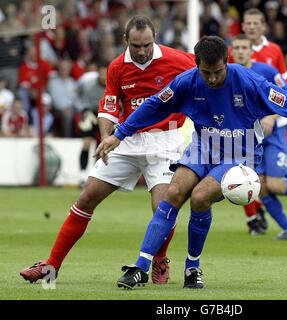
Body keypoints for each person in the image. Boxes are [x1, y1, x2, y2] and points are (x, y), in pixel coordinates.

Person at [95, 36, 287, 289]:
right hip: (201, 149)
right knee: (174, 192)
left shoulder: (250, 82)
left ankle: (192, 268)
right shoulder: (186, 82)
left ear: (226, 62)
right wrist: (119, 134)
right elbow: (153, 105)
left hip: (238, 156)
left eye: (218, 72)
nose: (211, 78)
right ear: (196, 64)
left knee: (199, 197)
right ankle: (141, 266)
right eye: (206, 72)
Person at [19, 16, 196, 285]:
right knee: (86, 198)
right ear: (126, 41)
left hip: (165, 142)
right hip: (126, 141)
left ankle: (160, 258)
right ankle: (51, 266)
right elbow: (109, 107)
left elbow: (211, 71)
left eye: (147, 44)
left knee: (163, 206)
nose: (142, 51)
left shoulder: (179, 60)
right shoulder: (117, 67)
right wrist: (104, 137)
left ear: (155, 37)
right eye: (136, 45)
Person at [230, 34, 287, 240]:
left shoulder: (267, 71)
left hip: (275, 132)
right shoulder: (228, 75)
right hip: (251, 138)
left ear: (250, 50)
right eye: (236, 48)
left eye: (244, 47)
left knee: (275, 184)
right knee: (259, 188)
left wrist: (272, 116)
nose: (240, 51)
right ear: (232, 51)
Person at [75, 65, 107, 187]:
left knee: (102, 145)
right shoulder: (87, 81)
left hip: (104, 114)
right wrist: (83, 108)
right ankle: (82, 176)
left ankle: (95, 176)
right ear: (98, 72)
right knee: (87, 142)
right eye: (102, 72)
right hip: (89, 112)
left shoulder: (113, 82)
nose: (104, 76)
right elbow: (77, 92)